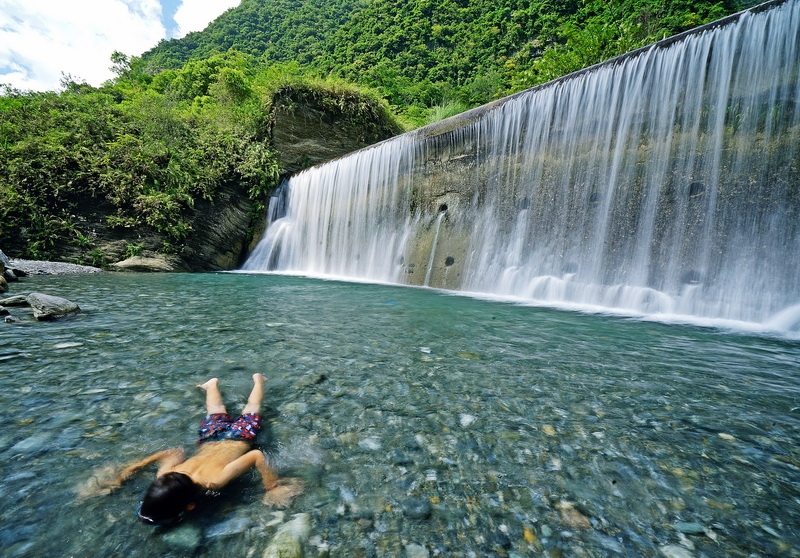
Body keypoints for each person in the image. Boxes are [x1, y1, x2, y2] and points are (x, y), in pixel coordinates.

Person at [83, 374, 303, 525]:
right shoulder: (166, 475)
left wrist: (271, 486)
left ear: (190, 506)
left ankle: (258, 381)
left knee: (250, 408)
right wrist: (135, 466)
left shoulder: (215, 481)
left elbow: (256, 455)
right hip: (210, 437)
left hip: (240, 438)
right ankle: (213, 384)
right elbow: (173, 453)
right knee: (215, 410)